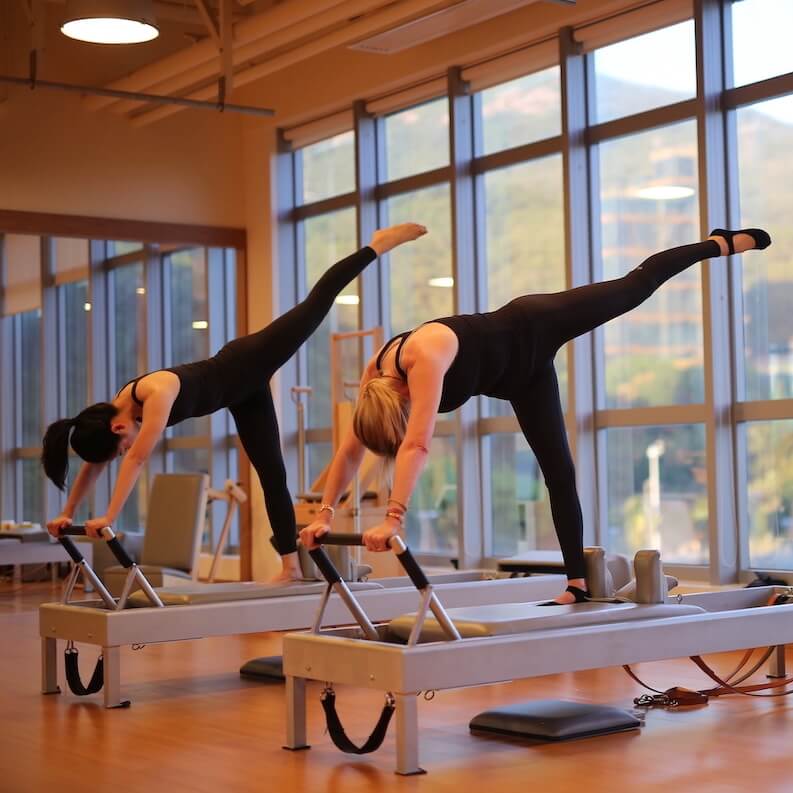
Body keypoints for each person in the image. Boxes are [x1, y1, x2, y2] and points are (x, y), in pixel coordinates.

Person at [300, 227, 771, 602]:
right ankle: (578, 583)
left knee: (635, 286)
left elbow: (417, 444)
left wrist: (394, 518)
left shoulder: (424, 356)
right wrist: (324, 513)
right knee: (558, 471)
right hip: (519, 381)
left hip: (533, 325)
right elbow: (348, 452)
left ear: (401, 399)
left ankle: (717, 244)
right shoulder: (372, 382)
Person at [42, 223, 427, 583]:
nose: (124, 447)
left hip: (248, 360)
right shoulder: (118, 414)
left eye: (119, 446)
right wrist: (68, 512)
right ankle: (290, 566)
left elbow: (136, 458)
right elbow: (95, 465)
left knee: (318, 302)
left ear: (117, 427)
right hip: (244, 395)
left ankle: (377, 244)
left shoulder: (155, 394)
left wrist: (109, 515)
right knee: (273, 475)